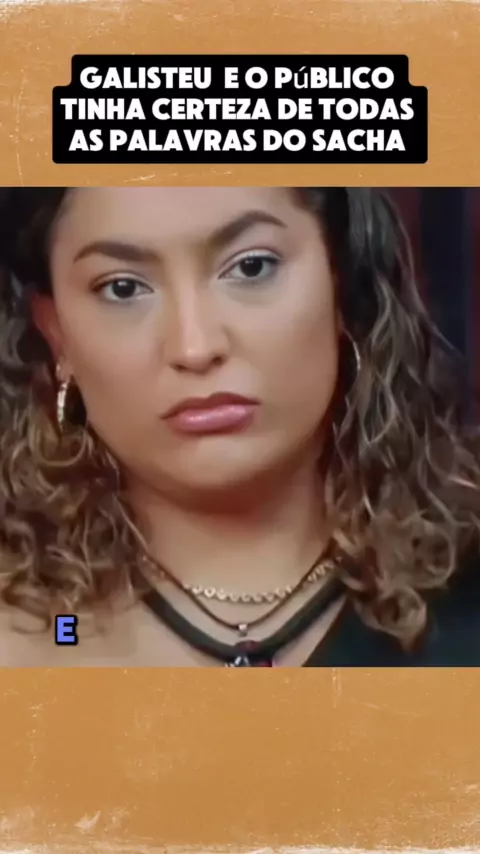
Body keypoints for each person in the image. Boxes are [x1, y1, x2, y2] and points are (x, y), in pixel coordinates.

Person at [0, 185, 479, 667]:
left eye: (251, 267)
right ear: (55, 334)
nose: (195, 348)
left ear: (341, 286)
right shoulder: (41, 631)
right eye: (122, 288)